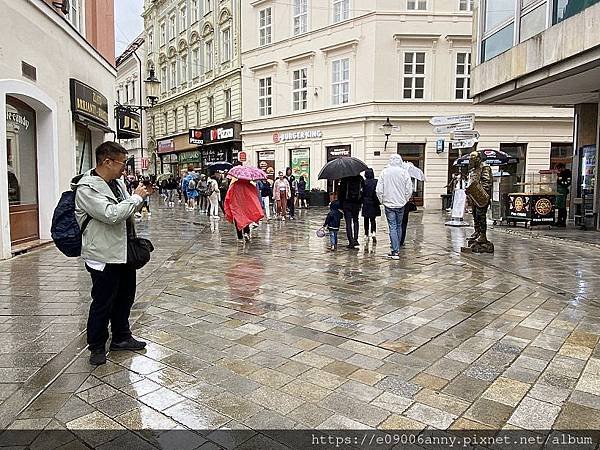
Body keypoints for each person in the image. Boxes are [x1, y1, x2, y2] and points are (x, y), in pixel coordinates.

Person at [73, 142, 151, 366]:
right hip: (102, 255)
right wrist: (136, 198)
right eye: (122, 163)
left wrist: (134, 201)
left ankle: (122, 337)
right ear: (107, 161)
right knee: (103, 301)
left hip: (123, 250)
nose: (124, 168)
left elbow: (127, 210)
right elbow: (111, 214)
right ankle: (96, 345)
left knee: (125, 297)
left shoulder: (116, 183)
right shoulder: (87, 188)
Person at [376, 154, 413, 260]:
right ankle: (396, 249)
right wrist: (405, 199)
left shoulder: (385, 172)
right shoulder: (404, 172)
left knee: (392, 226)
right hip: (401, 203)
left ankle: (395, 250)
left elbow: (379, 190)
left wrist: (382, 200)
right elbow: (409, 189)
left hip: (389, 203)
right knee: (399, 226)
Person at [338, 175, 365, 249]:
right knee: (356, 221)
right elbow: (363, 191)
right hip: (356, 203)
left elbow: (341, 193)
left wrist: (340, 205)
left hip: (347, 203)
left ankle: (351, 241)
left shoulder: (345, 179)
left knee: (348, 223)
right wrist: (361, 202)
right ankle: (356, 239)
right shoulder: (360, 178)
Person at [362, 168, 381, 243]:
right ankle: (373, 233)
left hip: (366, 202)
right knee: (373, 219)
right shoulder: (376, 182)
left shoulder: (364, 182)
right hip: (373, 202)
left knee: (366, 219)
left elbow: (362, 193)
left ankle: (366, 234)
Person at [556, 163, 571, 227]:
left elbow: (566, 183)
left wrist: (560, 181)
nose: (558, 170)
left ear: (562, 168)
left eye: (559, 169)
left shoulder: (567, 173)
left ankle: (563, 221)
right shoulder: (561, 173)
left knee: (562, 207)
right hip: (560, 191)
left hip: (563, 191)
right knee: (560, 207)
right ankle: (559, 220)